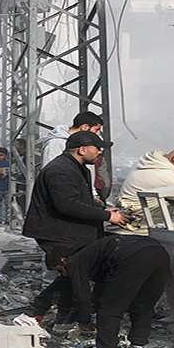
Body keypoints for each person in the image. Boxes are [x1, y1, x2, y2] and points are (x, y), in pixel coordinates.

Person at [17, 131, 129, 328]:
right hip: (58, 233)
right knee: (74, 273)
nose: (100, 152)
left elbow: (78, 200)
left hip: (69, 231)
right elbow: (66, 205)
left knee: (75, 274)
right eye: (97, 148)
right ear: (82, 149)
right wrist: (108, 216)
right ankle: (36, 312)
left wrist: (102, 209)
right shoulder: (61, 170)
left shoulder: (77, 168)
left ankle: (64, 316)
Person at [62, 235, 170, 348]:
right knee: (144, 304)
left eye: (59, 270)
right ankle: (138, 346)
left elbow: (82, 295)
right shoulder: (94, 251)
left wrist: (85, 320)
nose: (63, 274)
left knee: (110, 308)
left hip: (131, 257)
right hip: (159, 254)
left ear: (62, 261)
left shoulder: (74, 261)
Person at [39, 111, 110, 202]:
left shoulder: (87, 144)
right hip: (63, 198)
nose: (98, 134)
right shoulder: (56, 144)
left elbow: (89, 172)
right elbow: (52, 175)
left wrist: (93, 195)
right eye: (96, 129)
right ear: (84, 127)